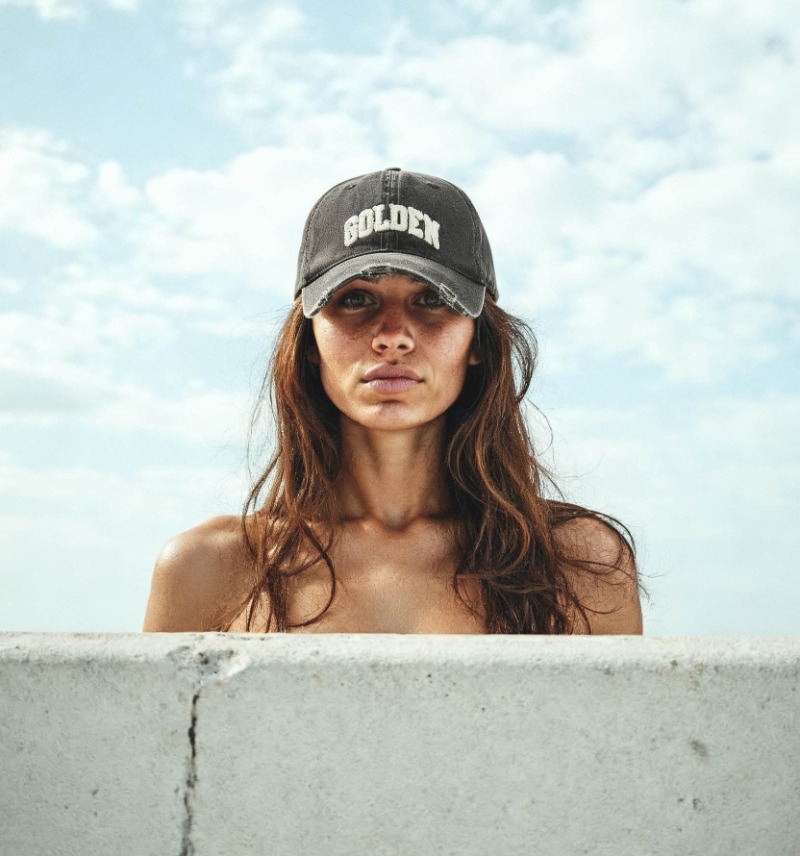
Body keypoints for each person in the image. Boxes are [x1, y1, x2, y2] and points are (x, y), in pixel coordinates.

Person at [143, 168, 643, 635]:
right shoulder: (208, 569)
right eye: (356, 299)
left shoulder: (580, 564)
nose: (392, 337)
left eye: (432, 299)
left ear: (479, 343)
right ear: (310, 343)